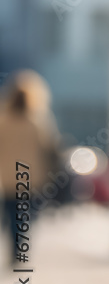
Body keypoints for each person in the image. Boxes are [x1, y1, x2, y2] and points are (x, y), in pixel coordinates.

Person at [0, 71, 60, 266]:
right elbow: (49, 148)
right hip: (30, 178)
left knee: (11, 215)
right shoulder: (38, 121)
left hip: (8, 177)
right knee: (25, 216)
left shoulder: (3, 120)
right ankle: (20, 250)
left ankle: (14, 249)